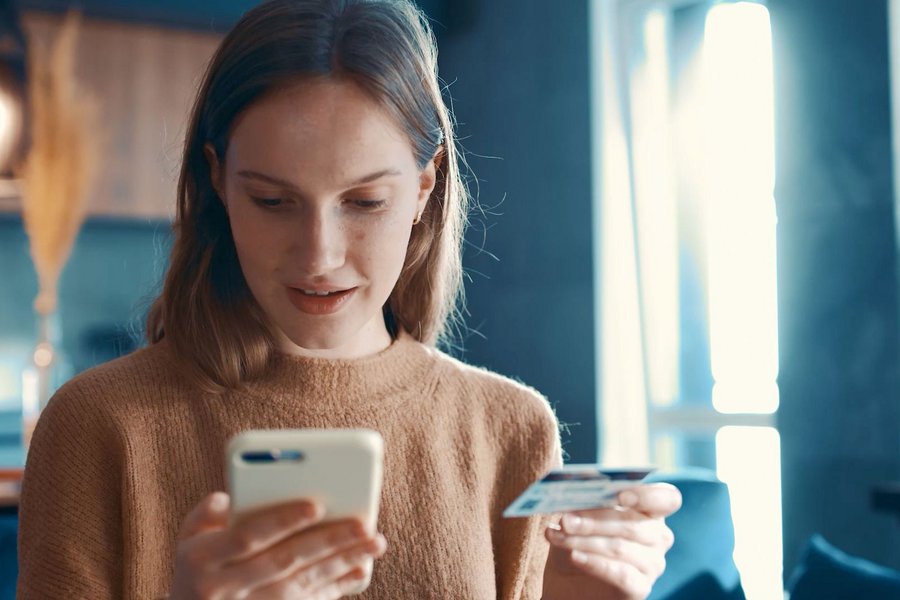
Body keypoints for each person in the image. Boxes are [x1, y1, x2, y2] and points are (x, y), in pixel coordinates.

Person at [16, 0, 681, 598]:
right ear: (217, 179)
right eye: (272, 201)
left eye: (364, 202)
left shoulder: (511, 430)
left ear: (426, 186)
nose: (319, 255)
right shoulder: (98, 426)